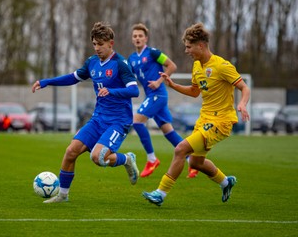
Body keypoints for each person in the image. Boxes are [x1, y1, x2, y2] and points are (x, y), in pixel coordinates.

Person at [142, 22, 250, 206]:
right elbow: (194, 91)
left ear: (200, 45)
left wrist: (241, 103)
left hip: (221, 121)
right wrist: (173, 85)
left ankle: (160, 193)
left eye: (188, 47)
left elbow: (244, 87)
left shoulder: (222, 65)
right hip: (205, 119)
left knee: (180, 149)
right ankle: (226, 182)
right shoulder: (197, 66)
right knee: (196, 163)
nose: (186, 51)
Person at [32, 22, 140, 203]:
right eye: (94, 44)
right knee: (71, 151)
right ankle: (63, 195)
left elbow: (134, 91)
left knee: (98, 158)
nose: (97, 48)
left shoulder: (120, 64)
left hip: (118, 121)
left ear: (110, 43)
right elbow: (72, 78)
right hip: (98, 119)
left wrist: (111, 91)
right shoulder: (92, 63)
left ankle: (127, 159)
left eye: (101, 44)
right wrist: (46, 81)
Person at [128, 23, 198, 178]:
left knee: (137, 121)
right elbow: (128, 76)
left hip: (158, 95)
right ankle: (192, 162)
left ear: (146, 38)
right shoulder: (132, 59)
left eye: (140, 36)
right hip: (151, 97)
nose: (137, 38)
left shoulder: (153, 53)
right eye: (135, 36)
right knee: (168, 131)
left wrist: (158, 82)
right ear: (132, 39)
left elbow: (172, 66)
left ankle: (152, 159)